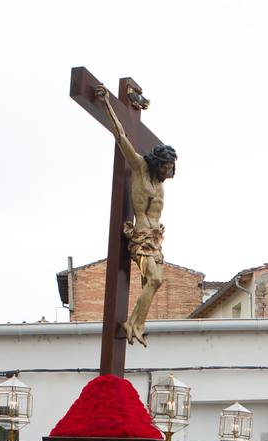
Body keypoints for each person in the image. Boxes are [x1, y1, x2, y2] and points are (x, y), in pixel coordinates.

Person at [93, 83, 178, 346]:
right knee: (154, 279)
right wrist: (107, 103)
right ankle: (134, 323)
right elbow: (121, 135)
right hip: (140, 235)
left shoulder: (160, 183)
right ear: (158, 163)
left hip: (155, 239)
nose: (170, 171)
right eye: (167, 166)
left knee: (156, 282)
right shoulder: (140, 168)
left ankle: (136, 323)